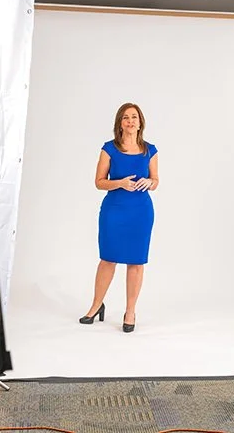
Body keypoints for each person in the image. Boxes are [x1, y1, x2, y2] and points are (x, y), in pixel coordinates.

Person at [80, 103, 159, 333]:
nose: (130, 121)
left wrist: (150, 182)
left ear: (140, 123)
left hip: (141, 212)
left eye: (134, 117)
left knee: (136, 261)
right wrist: (121, 183)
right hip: (114, 210)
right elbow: (99, 182)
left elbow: (156, 180)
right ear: (120, 123)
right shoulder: (109, 149)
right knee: (108, 259)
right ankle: (96, 305)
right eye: (126, 117)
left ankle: (130, 311)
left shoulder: (150, 150)